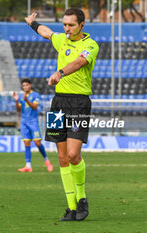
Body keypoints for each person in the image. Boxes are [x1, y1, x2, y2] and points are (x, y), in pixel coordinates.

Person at [25, 8, 99, 221]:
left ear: (82, 25)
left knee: (74, 155)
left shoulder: (90, 45)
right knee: (62, 158)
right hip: (58, 103)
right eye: (65, 24)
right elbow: (48, 33)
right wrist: (32, 23)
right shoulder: (61, 39)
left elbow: (79, 63)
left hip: (79, 103)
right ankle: (71, 208)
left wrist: (60, 72)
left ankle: (82, 198)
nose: (66, 29)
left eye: (71, 25)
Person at [13, 79, 53, 173]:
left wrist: (26, 100)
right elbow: (18, 110)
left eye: (26, 85)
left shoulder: (35, 95)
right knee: (27, 143)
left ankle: (46, 160)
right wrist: (16, 101)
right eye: (23, 86)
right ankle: (28, 166)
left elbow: (35, 107)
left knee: (37, 143)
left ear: (30, 85)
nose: (25, 87)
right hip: (24, 122)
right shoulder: (21, 96)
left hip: (33, 122)